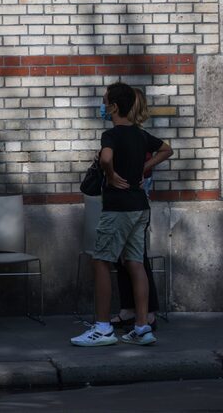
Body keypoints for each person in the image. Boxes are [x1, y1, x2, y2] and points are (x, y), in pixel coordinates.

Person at [71, 82, 172, 347]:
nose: (103, 106)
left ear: (115, 106)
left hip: (118, 208)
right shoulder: (140, 135)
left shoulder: (111, 135)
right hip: (140, 207)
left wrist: (111, 174)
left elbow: (105, 158)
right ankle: (141, 327)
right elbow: (167, 149)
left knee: (102, 262)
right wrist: (143, 168)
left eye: (105, 102)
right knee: (135, 262)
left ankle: (102, 328)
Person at [112, 87, 160, 330]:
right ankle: (129, 309)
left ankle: (148, 311)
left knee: (136, 257)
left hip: (133, 204)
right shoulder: (126, 134)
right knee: (124, 257)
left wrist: (142, 168)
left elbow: (156, 159)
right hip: (123, 202)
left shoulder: (138, 136)